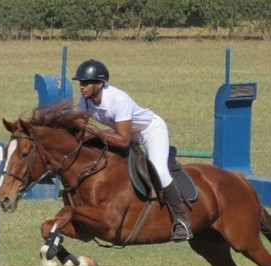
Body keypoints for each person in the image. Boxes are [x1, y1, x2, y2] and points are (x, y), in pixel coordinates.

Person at [72, 59, 193, 241]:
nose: (82, 87)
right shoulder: (85, 100)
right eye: (81, 83)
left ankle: (181, 220)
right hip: (125, 133)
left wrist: (95, 134)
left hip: (149, 131)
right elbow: (81, 129)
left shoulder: (118, 99)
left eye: (86, 83)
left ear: (100, 83)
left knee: (159, 169)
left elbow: (122, 140)